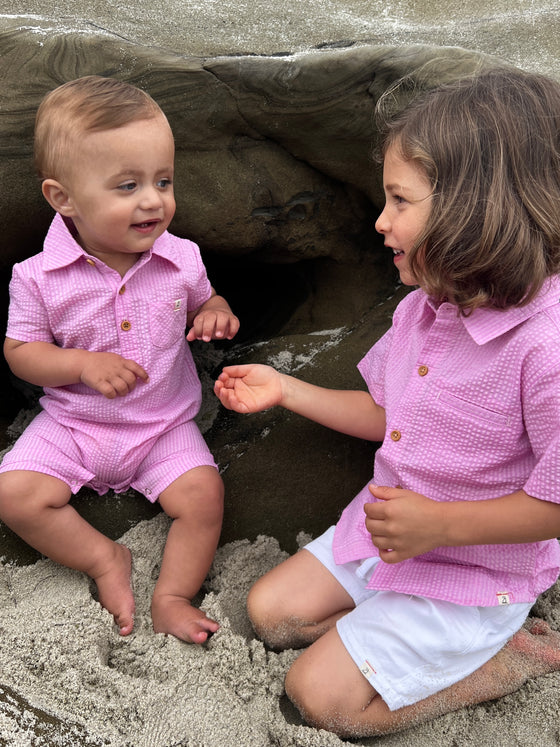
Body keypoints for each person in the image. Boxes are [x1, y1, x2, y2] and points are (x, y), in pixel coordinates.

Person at [214, 67, 560, 736]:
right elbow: (389, 415)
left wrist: (440, 526)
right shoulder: (426, 309)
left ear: (475, 210)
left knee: (319, 697)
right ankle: (390, 639)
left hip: (473, 568)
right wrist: (287, 389)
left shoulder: (545, 348)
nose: (381, 221)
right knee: (270, 612)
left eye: (400, 201)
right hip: (390, 535)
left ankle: (502, 660)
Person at [0, 75, 239, 644]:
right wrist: (80, 365)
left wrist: (214, 312)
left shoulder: (180, 257)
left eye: (163, 180)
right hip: (74, 423)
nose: (153, 200)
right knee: (13, 494)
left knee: (204, 496)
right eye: (127, 185)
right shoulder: (36, 277)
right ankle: (105, 560)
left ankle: (173, 595)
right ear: (63, 198)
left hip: (163, 424)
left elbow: (207, 298)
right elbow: (20, 354)